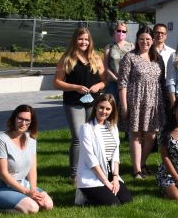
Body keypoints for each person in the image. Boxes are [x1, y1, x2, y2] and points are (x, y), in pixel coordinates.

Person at [54, 27, 106, 179]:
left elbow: (104, 81)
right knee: (78, 136)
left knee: (93, 135)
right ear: (75, 40)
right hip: (73, 102)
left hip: (93, 103)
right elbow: (56, 82)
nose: (84, 42)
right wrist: (75, 87)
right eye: (81, 39)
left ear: (90, 41)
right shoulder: (67, 58)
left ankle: (94, 169)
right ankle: (75, 174)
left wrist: (98, 86)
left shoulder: (96, 58)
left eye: (86, 39)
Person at [0, 105, 54, 214]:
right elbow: (3, 174)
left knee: (48, 204)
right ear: (14, 119)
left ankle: (20, 202)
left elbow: (32, 169)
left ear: (31, 122)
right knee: (33, 208)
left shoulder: (31, 140)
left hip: (21, 183)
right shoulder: (2, 139)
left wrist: (33, 189)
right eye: (20, 119)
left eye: (27, 120)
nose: (23, 123)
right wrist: (26, 192)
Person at [119, 25, 166, 179]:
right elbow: (122, 83)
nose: (144, 42)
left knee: (151, 136)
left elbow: (161, 81)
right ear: (137, 40)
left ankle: (142, 163)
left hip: (154, 101)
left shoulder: (158, 59)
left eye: (147, 39)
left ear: (152, 41)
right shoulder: (129, 57)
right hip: (135, 100)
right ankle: (137, 170)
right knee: (136, 135)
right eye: (141, 39)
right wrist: (124, 106)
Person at [75, 94, 133, 206]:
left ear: (112, 110)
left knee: (126, 200)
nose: (104, 111)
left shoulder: (112, 127)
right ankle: (84, 195)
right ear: (96, 107)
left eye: (108, 109)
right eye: (101, 107)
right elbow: (90, 159)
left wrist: (115, 178)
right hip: (92, 176)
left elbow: (116, 155)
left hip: (110, 174)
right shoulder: (86, 128)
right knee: (113, 204)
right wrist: (106, 182)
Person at [104, 21, 134, 105]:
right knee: (111, 105)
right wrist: (115, 78)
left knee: (126, 106)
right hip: (113, 83)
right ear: (115, 31)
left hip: (128, 83)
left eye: (123, 31)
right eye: (119, 30)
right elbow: (105, 66)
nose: (121, 33)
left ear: (126, 33)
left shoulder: (132, 46)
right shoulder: (109, 46)